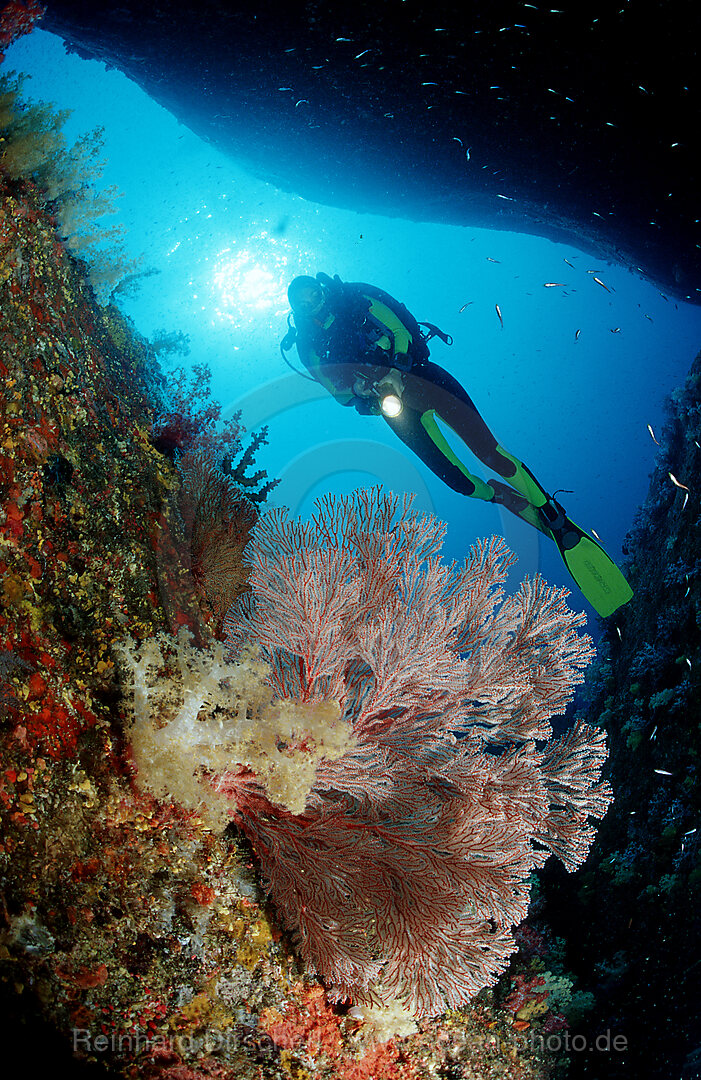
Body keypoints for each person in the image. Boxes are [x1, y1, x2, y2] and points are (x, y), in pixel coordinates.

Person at [281, 272, 632, 617]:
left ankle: (551, 513)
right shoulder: (308, 344)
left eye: (313, 292)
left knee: (490, 453)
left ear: (321, 287)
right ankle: (501, 495)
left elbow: (401, 327)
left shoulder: (355, 298)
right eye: (302, 301)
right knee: (461, 483)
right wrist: (361, 390)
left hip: (424, 377)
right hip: (394, 409)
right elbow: (336, 392)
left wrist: (396, 369)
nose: (312, 302)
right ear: (296, 309)